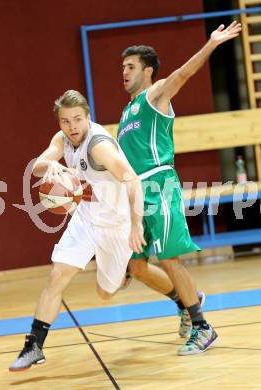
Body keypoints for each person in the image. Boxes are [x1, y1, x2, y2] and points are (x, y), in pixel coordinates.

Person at [118, 21, 242, 355]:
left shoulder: (154, 95)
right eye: (123, 68)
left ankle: (203, 326)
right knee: (138, 267)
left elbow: (183, 74)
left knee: (169, 257)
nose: (124, 73)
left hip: (159, 185)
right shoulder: (127, 111)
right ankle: (185, 301)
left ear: (148, 72)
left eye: (130, 67)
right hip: (135, 194)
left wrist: (212, 44)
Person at [9, 89, 146, 371]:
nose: (72, 127)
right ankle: (34, 345)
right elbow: (37, 166)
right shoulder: (62, 139)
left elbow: (133, 180)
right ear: (59, 122)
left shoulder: (99, 146)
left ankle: (124, 273)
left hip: (115, 225)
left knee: (105, 293)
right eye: (65, 121)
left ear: (88, 118)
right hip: (85, 218)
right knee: (57, 273)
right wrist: (52, 167)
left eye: (77, 120)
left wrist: (136, 224)